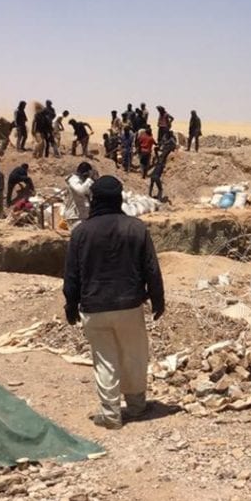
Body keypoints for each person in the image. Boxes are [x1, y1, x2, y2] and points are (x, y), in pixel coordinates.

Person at [63, 176, 165, 430]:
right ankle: (137, 406)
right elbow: (151, 268)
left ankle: (110, 414)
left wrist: (70, 305)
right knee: (134, 355)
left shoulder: (81, 233)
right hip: (129, 305)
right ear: (118, 198)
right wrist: (157, 298)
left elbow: (72, 275)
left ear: (94, 199)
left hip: (94, 307)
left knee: (105, 360)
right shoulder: (136, 228)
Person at [63, 162, 96, 230]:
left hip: (84, 215)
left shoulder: (84, 182)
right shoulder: (73, 180)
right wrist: (89, 179)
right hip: (75, 216)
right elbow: (80, 191)